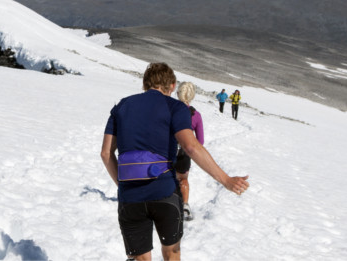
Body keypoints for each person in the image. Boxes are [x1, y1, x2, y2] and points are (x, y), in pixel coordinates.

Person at [102, 62, 249, 261]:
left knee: (140, 258)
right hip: (164, 192)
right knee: (172, 252)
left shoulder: (122, 106)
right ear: (172, 85)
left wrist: (123, 185)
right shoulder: (175, 107)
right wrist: (226, 180)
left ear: (145, 84)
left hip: (130, 197)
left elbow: (106, 153)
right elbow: (191, 146)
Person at [175, 82, 204, 221]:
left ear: (177, 93)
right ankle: (185, 205)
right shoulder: (196, 115)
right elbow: (200, 141)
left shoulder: (168, 109)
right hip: (183, 152)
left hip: (165, 150)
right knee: (183, 179)